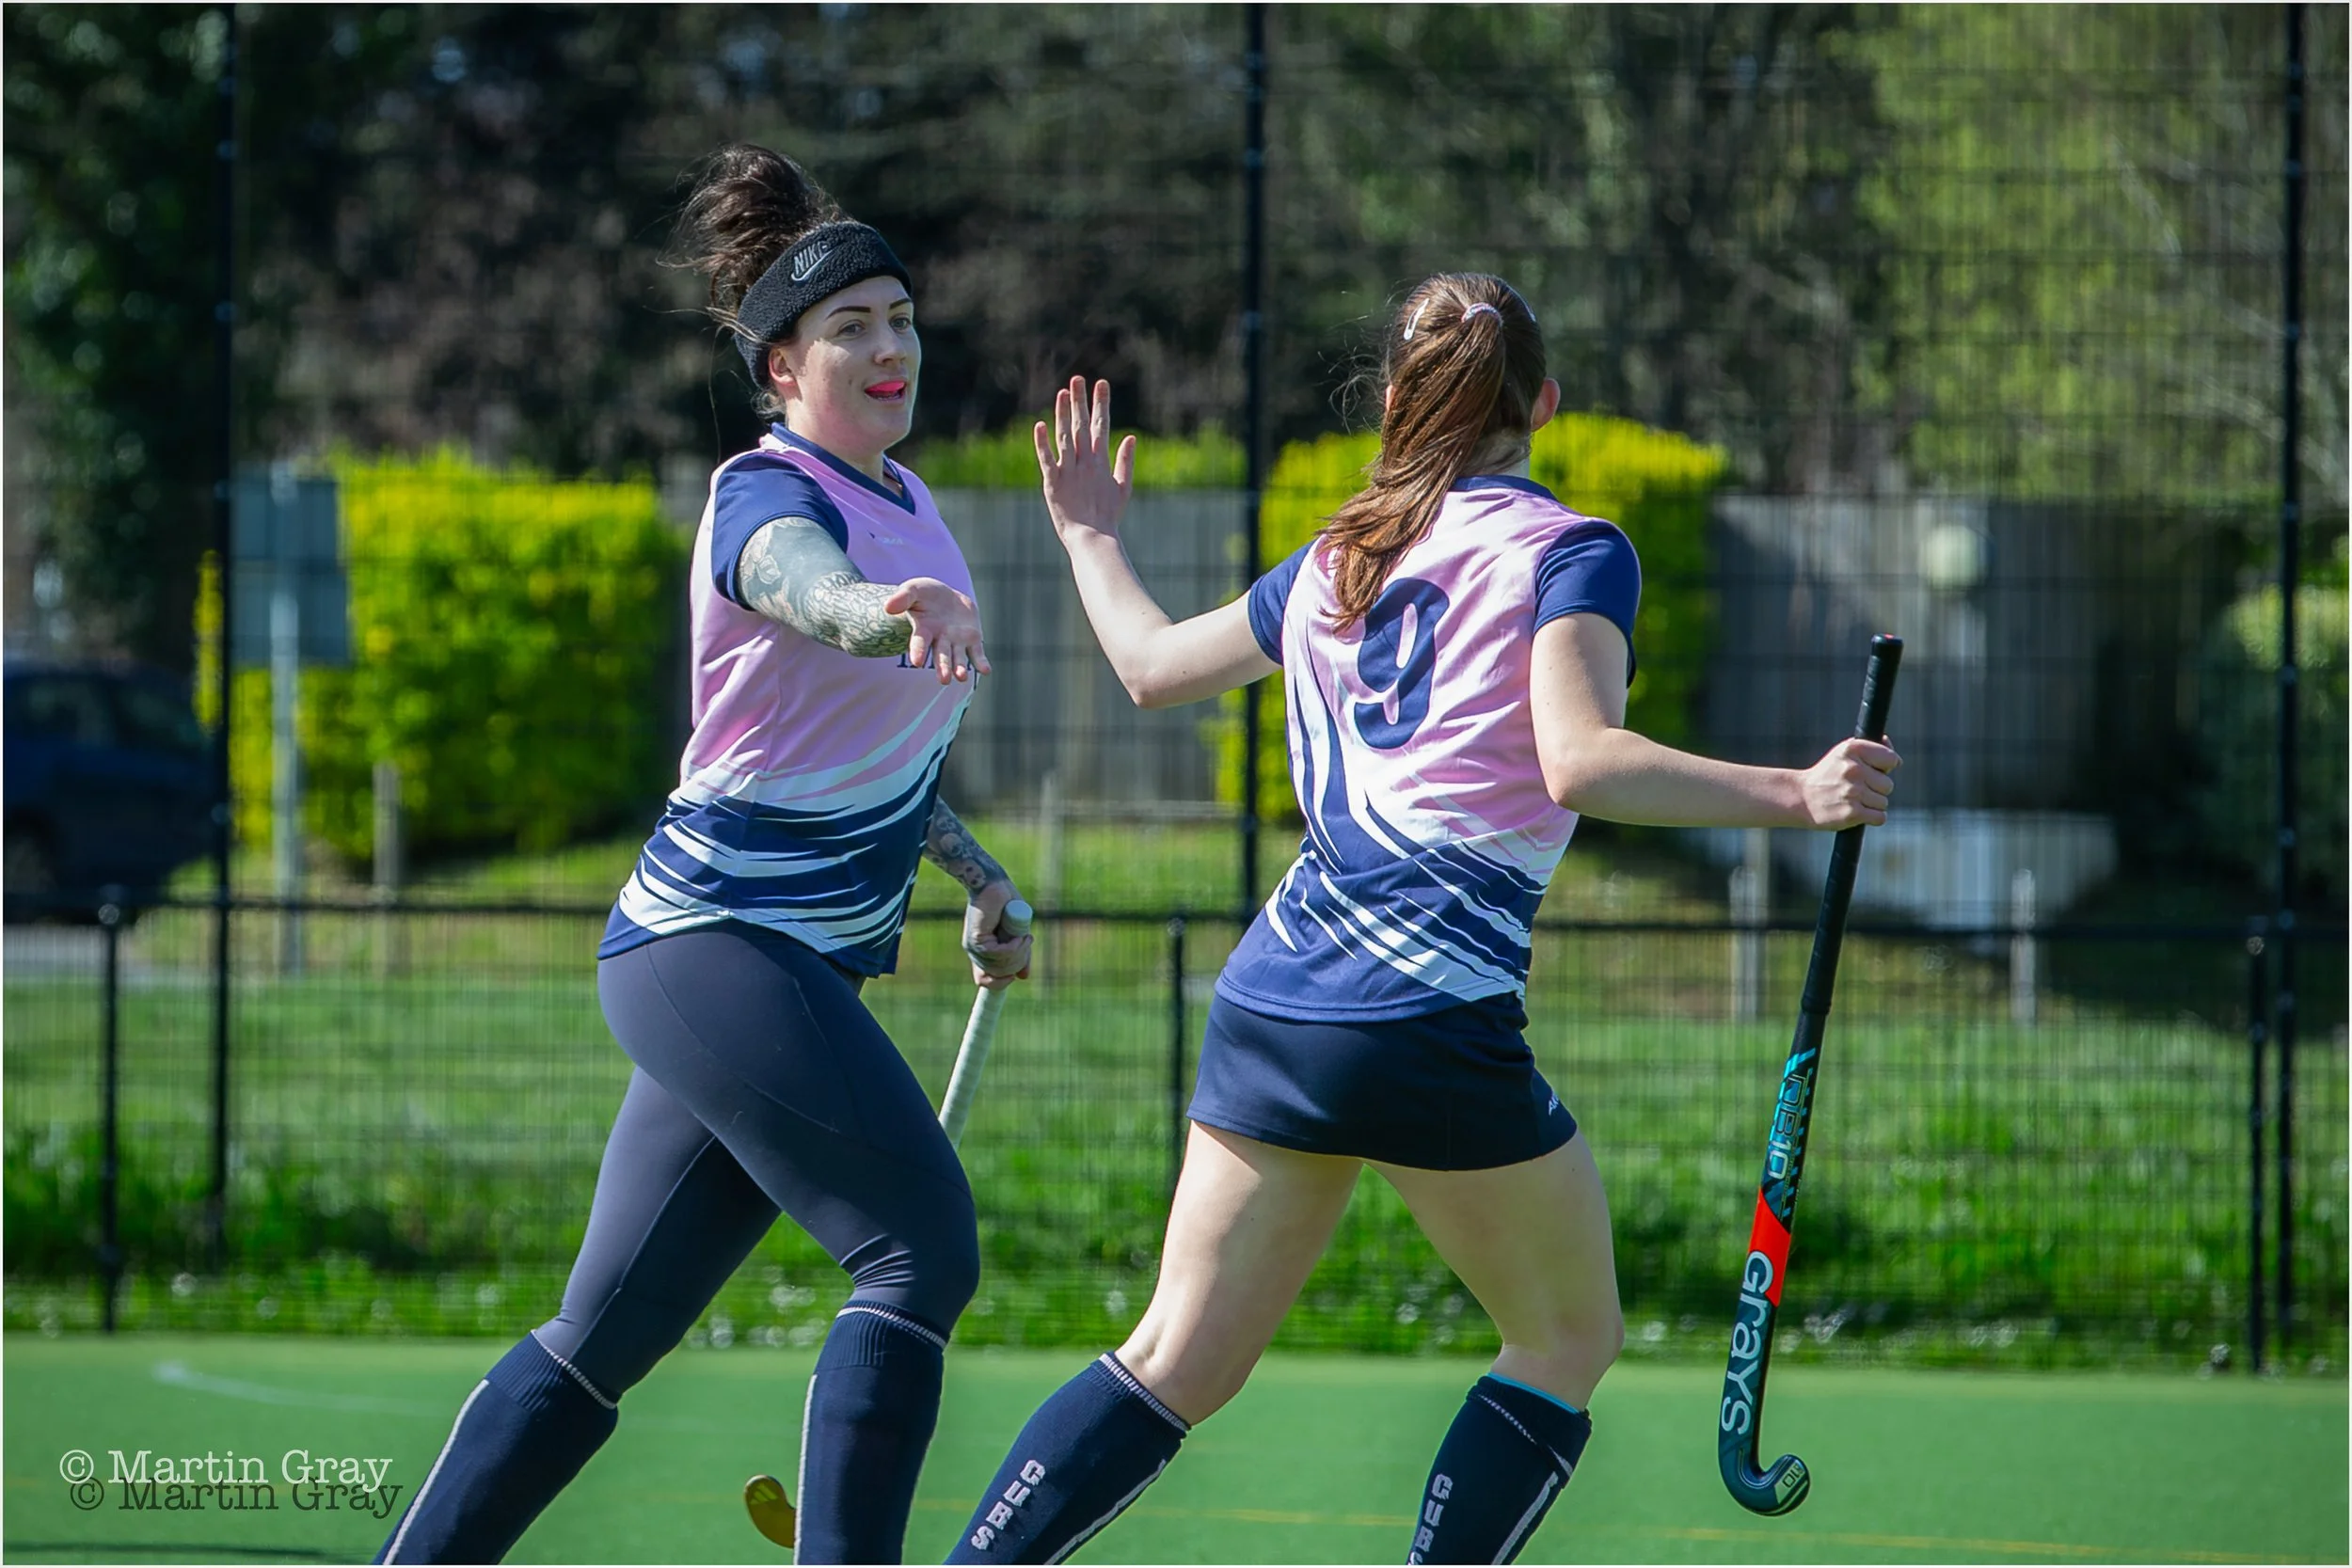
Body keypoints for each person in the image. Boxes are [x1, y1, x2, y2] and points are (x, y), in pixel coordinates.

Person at [946, 274, 1898, 1565]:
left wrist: (1088, 534)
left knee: (1173, 1356)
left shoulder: (1344, 550)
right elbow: (1579, 760)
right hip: (1423, 1012)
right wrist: (1797, 790)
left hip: (1279, 1000)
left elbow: (1148, 666)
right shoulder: (1572, 550)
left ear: (1396, 401)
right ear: (1545, 405)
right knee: (1569, 1335)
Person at [376, 144, 1031, 1566]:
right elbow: (807, 595)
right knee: (920, 1249)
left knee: (599, 1338)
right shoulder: (763, 492)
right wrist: (870, 610)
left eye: (902, 319)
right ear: (782, 367)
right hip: (717, 954)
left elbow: (870, 757)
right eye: (849, 327)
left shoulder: (919, 511)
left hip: (777, 972)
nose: (888, 346)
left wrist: (975, 873)